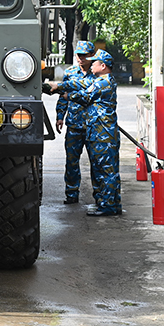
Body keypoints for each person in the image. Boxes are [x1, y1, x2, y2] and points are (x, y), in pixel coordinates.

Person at [46, 49, 120, 216]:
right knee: (104, 169)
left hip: (103, 134)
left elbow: (84, 96)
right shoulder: (102, 80)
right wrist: (59, 87)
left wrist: (63, 92)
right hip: (100, 133)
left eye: (94, 62)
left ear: (103, 66)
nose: (91, 64)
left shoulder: (103, 82)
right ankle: (109, 203)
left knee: (105, 170)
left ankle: (108, 206)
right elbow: (80, 84)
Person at [56, 40, 96, 205]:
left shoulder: (98, 73)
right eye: (78, 55)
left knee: (96, 162)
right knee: (71, 161)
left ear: (91, 56)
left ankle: (100, 196)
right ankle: (71, 193)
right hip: (74, 125)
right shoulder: (70, 72)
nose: (81, 59)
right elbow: (63, 96)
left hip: (94, 125)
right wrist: (60, 116)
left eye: (84, 56)